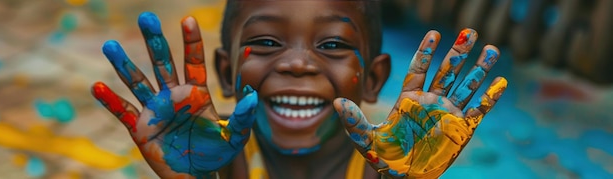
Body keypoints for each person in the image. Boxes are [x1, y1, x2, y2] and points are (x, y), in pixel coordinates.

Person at [91, 0, 507, 178]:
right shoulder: (211, 163)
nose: (297, 63)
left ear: (375, 79)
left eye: (332, 45)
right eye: (268, 43)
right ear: (225, 70)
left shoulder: (393, 163)